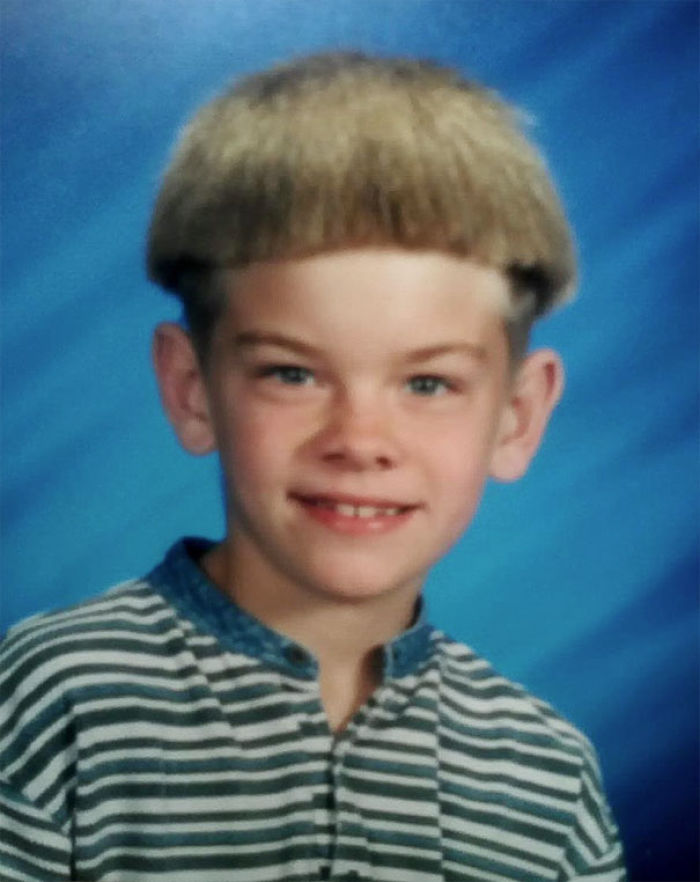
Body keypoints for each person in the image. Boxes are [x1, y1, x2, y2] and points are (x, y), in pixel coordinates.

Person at [0, 52, 626, 881]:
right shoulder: (54, 701)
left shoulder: (548, 778)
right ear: (192, 389)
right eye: (292, 374)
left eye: (428, 383)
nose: (360, 440)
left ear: (517, 417)